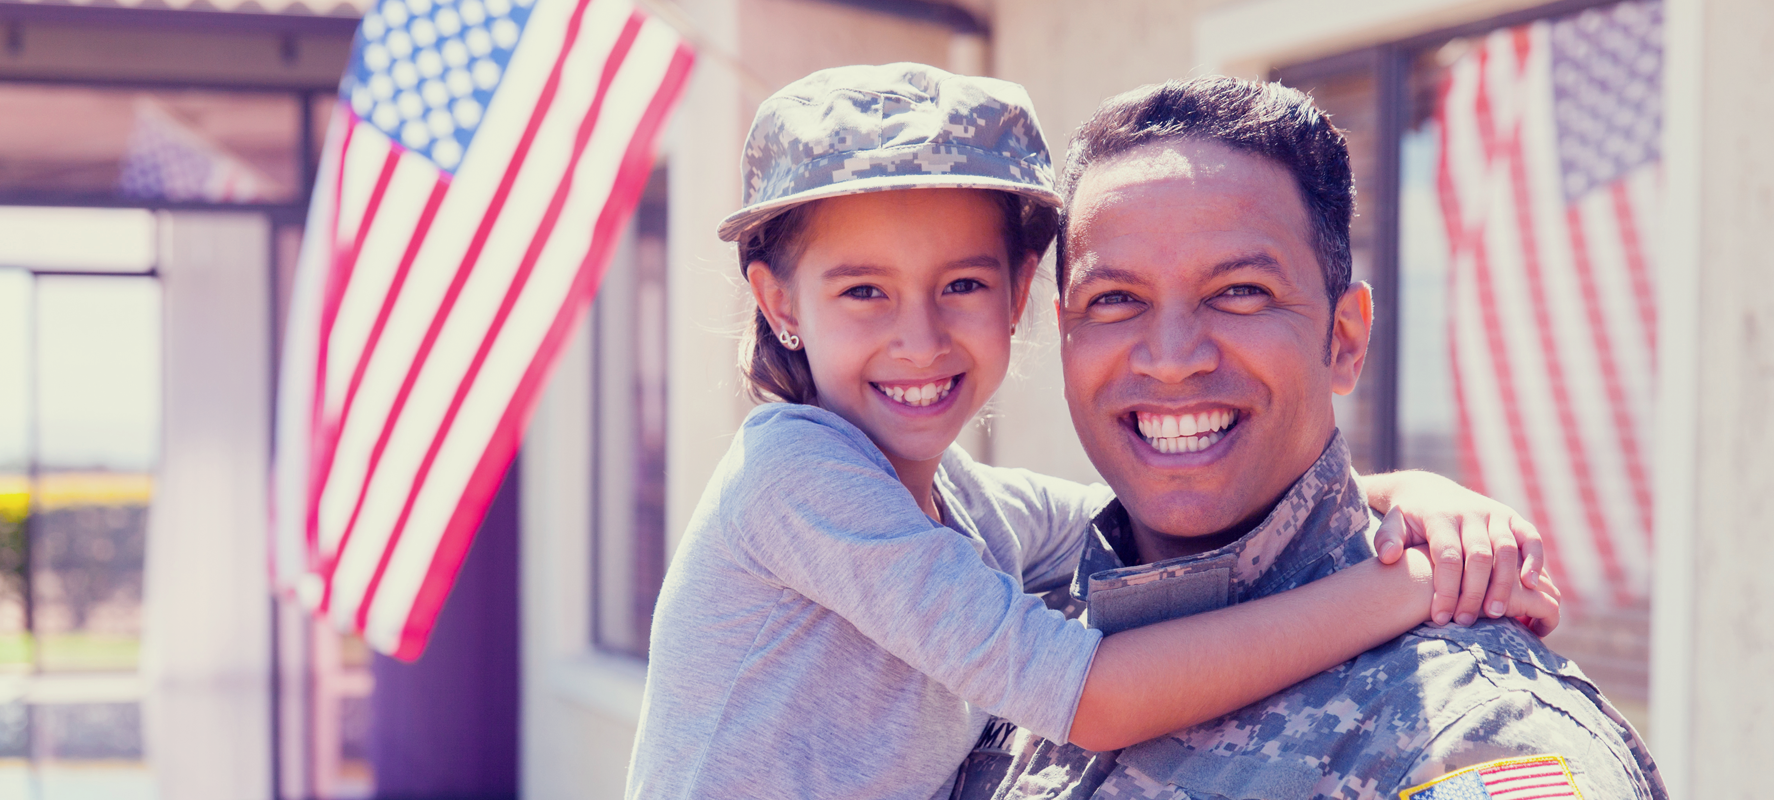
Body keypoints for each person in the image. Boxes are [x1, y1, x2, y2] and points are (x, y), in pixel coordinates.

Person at [624, 63, 1558, 800]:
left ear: (1019, 295)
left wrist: (1416, 496)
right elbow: (1092, 697)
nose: (919, 337)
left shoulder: (966, 512)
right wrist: (1410, 588)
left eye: (963, 285)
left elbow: (1126, 512)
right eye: (863, 290)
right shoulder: (790, 473)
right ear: (778, 301)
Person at [950, 76, 1665, 800]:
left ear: (1345, 339)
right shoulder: (1004, 656)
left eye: (1239, 292)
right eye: (1115, 300)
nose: (1171, 357)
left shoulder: (1468, 731)